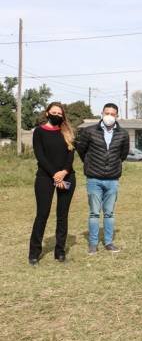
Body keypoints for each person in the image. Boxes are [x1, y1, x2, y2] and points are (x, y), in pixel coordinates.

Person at [76, 102, 129, 254]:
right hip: (94, 178)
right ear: (102, 113)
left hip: (112, 179)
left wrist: (113, 165)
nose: (109, 116)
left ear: (117, 116)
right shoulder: (89, 131)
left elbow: (123, 155)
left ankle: (108, 242)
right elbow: (81, 150)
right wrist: (90, 164)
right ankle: (93, 244)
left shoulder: (123, 134)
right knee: (94, 212)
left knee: (109, 213)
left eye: (113, 114)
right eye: (107, 113)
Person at [28, 102, 76, 265]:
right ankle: (34, 252)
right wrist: (55, 174)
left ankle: (60, 252)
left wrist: (63, 172)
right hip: (45, 177)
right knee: (42, 214)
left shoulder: (68, 132)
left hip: (67, 176)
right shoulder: (39, 132)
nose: (57, 115)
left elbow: (70, 157)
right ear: (47, 113)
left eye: (59, 113)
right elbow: (39, 155)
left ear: (63, 115)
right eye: (53, 112)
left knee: (62, 216)